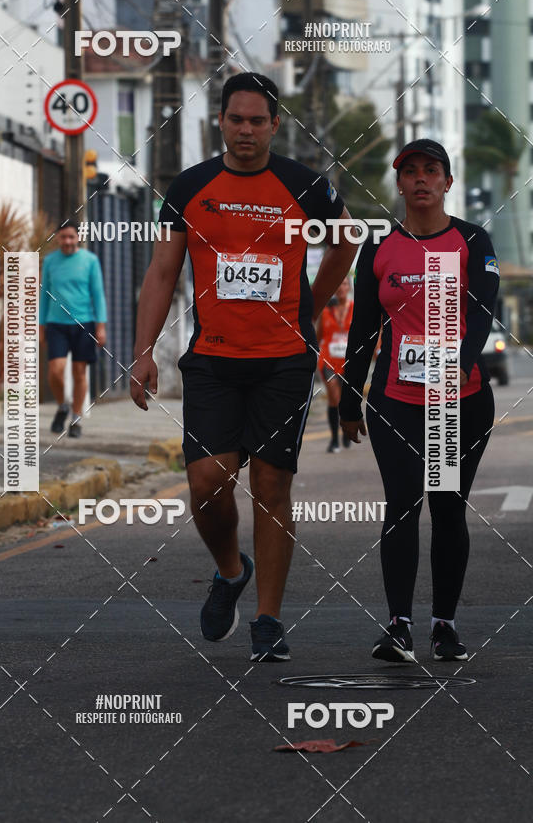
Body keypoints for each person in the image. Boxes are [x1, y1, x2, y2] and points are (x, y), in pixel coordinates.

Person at [130, 72, 356, 661]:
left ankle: (268, 619)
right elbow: (161, 273)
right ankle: (231, 572)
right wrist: (142, 352)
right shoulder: (190, 187)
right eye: (237, 119)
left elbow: (346, 240)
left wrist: (307, 303)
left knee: (273, 484)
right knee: (207, 484)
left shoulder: (305, 186)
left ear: (275, 125)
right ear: (221, 122)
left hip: (283, 361)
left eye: (258, 121)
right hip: (212, 360)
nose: (247, 130)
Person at [339, 139, 499, 663]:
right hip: (395, 400)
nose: (421, 180)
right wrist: (346, 397)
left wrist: (459, 359)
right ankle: (399, 625)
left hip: (459, 400)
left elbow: (480, 312)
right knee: (403, 502)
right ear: (400, 184)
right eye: (410, 172)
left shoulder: (473, 241)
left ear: (448, 182)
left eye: (432, 170)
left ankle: (444, 624)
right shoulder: (380, 245)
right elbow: (364, 326)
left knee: (448, 509)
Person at [39, 222, 107, 438]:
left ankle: (76, 419)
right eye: (63, 237)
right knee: (55, 371)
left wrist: (101, 327)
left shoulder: (90, 261)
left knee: (79, 373)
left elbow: (98, 294)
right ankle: (62, 406)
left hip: (83, 323)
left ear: (78, 238)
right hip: (56, 324)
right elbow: (44, 295)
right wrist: (41, 326)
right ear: (57, 239)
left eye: (71, 237)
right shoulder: (50, 261)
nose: (67, 241)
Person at [316, 277, 353, 452]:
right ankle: (334, 440)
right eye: (338, 284)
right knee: (334, 396)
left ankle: (346, 432)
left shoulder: (356, 309)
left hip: (349, 362)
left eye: (344, 284)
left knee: (346, 399)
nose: (341, 287)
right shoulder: (326, 311)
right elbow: (318, 336)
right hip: (328, 360)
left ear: (349, 287)